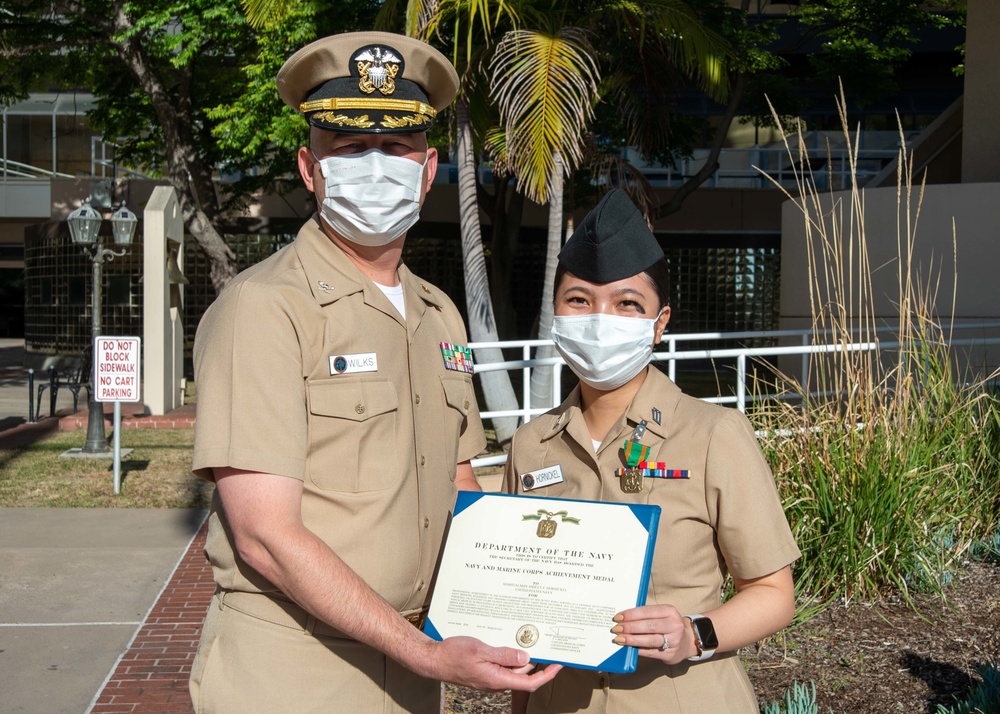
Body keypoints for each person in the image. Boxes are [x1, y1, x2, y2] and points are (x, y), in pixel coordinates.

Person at [189, 31, 559, 713]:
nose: (375, 166)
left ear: (427, 169)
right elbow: (265, 534)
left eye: (396, 149)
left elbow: (457, 480)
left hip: (414, 669)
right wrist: (423, 651)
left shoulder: (437, 312)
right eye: (351, 149)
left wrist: (535, 591)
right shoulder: (265, 309)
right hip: (295, 671)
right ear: (310, 168)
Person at [503, 189, 800, 713]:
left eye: (627, 304)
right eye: (579, 300)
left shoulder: (714, 434)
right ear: (555, 313)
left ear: (659, 324)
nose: (600, 318)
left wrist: (694, 633)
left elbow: (774, 593)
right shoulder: (531, 444)